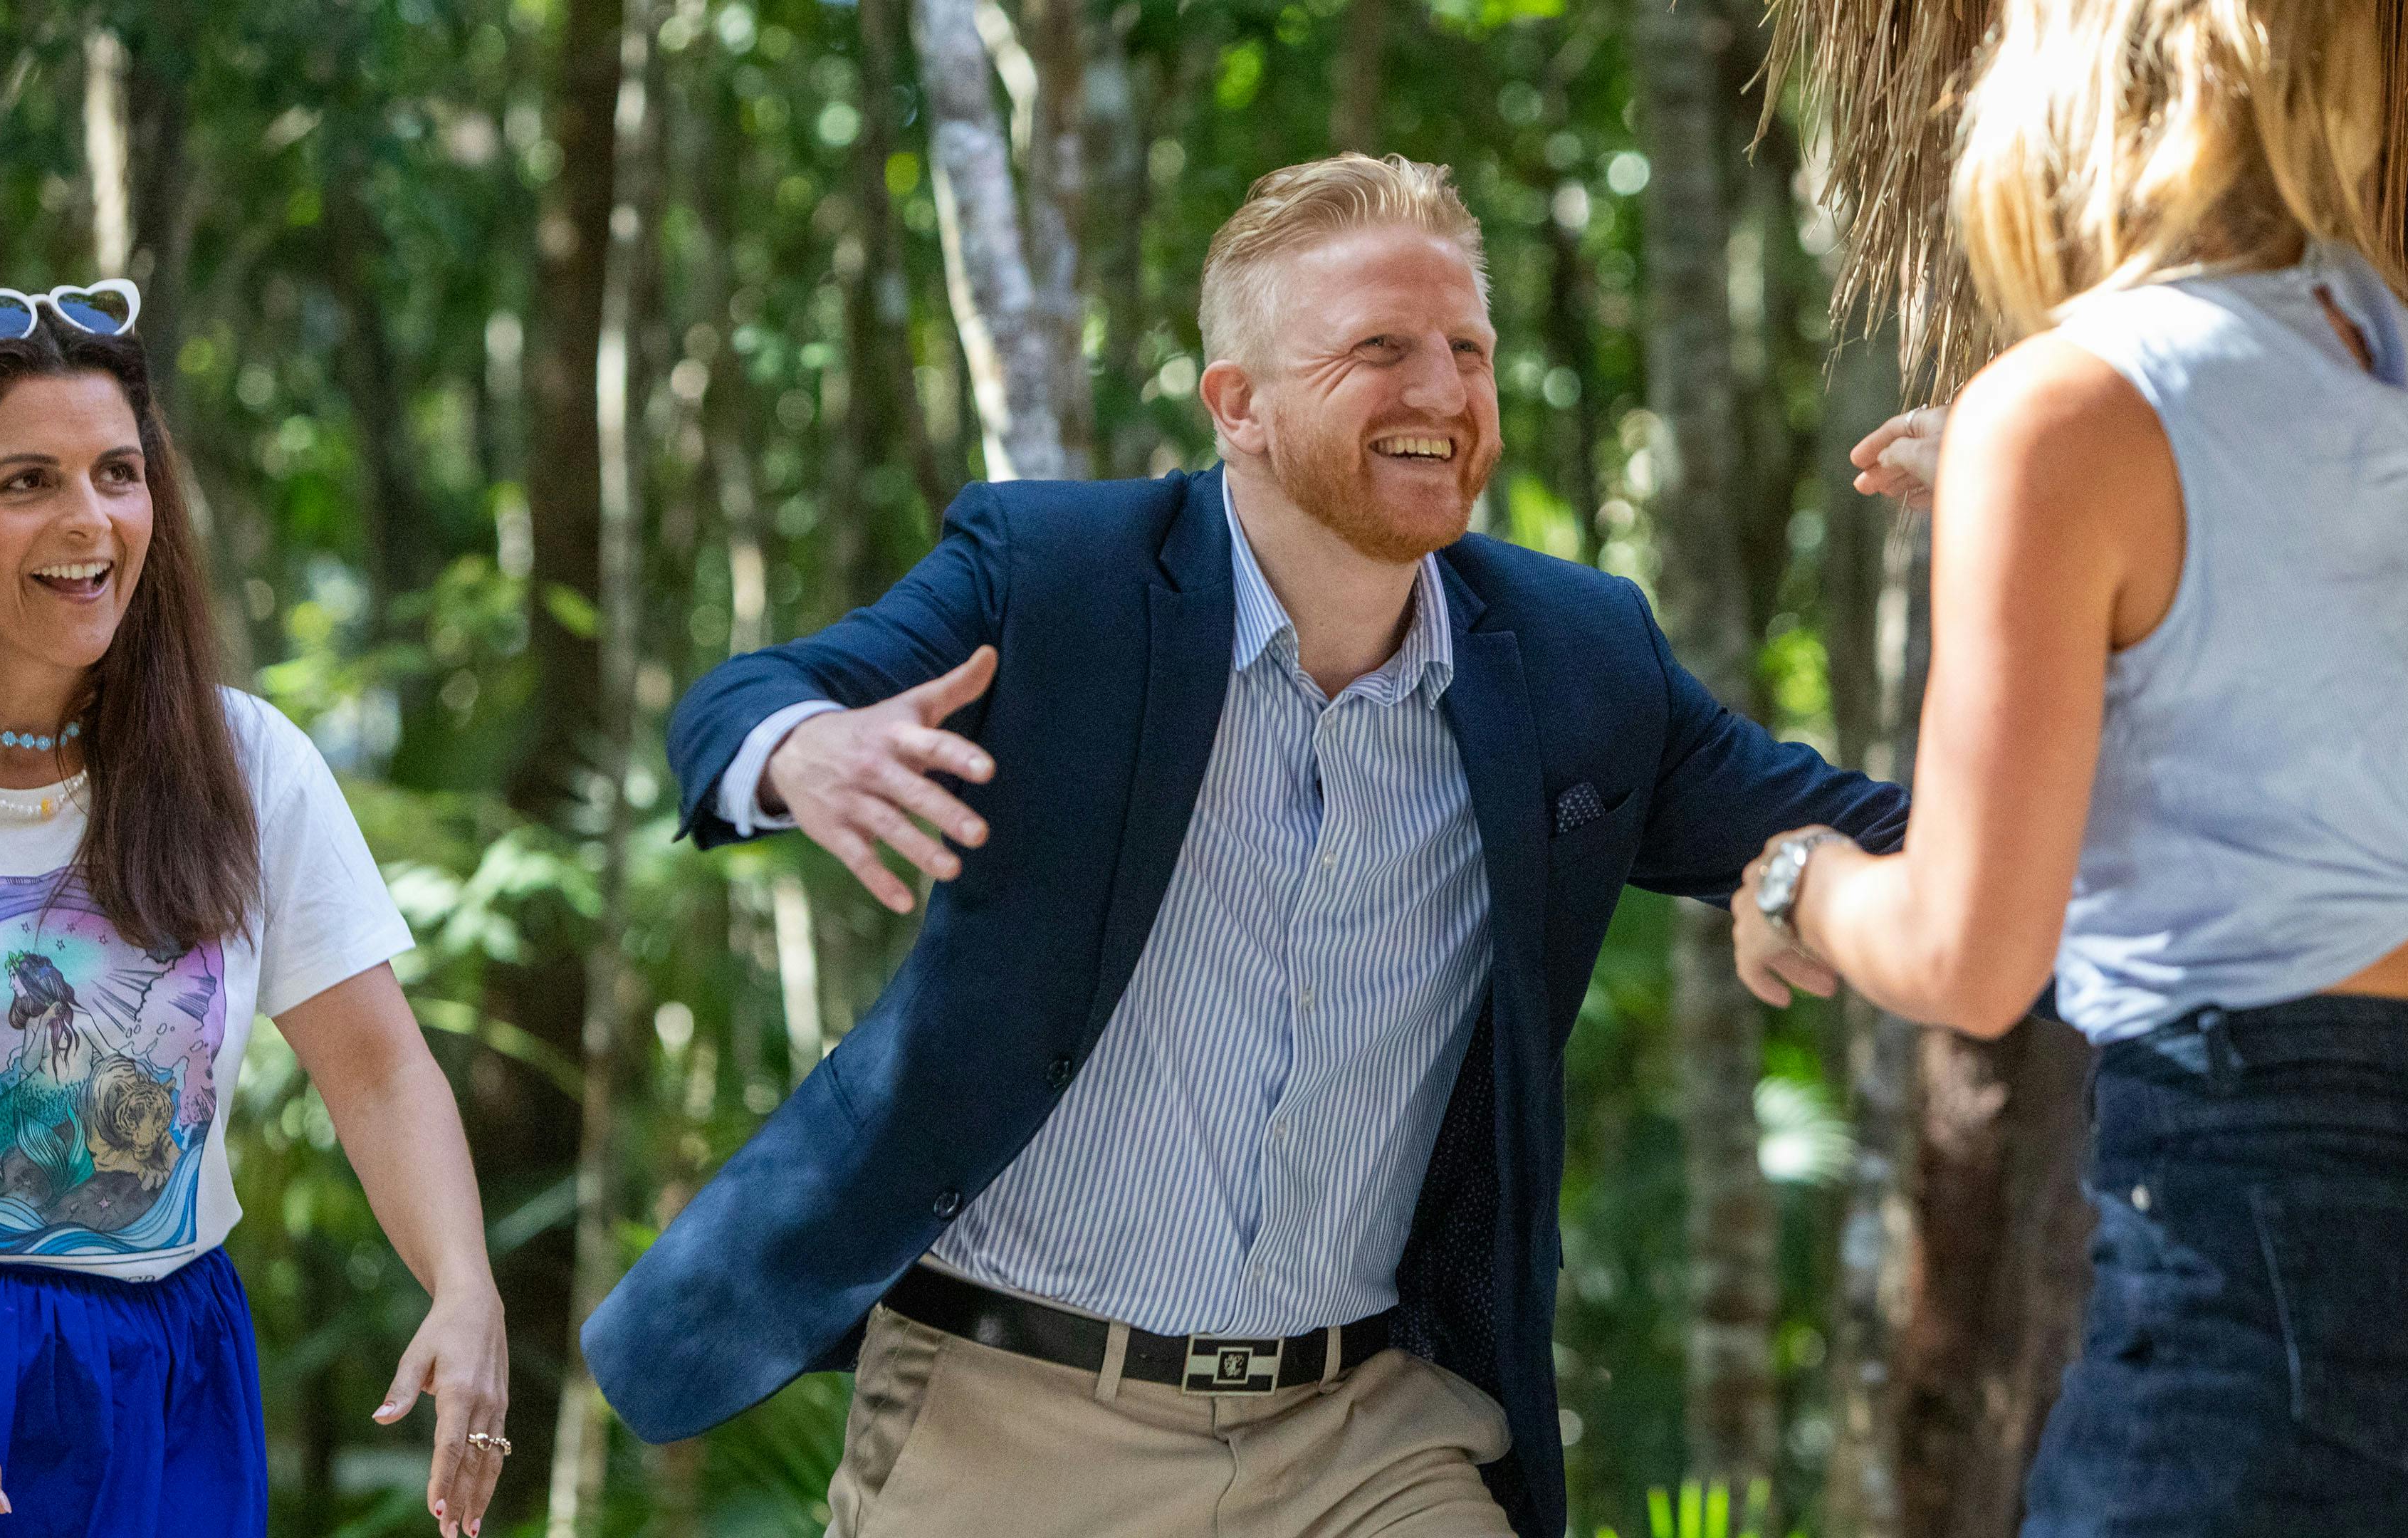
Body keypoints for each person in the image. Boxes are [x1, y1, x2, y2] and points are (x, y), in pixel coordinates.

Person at [582, 153, 1907, 1537]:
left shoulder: (1578, 658)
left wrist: (2018, 542)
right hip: (1016, 1419)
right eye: (1380, 350)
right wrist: (804, 748)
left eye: (1467, 350)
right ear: (1239, 407)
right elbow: (748, 700)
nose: (1444, 393)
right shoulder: (1060, 578)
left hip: (1362, 1436)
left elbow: (1892, 841)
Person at [1743, 1, 2408, 1532]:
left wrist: (1797, 879)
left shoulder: (2062, 413)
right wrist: (2018, 476)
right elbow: (2270, 592)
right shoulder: (2375, 349)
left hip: (2272, 1248)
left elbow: (1966, 957)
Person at [0, 282, 511, 1538]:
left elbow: (380, 1072)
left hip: (166, 1381)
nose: (90, 520)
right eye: (27, 482)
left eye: (118, 474)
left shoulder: (246, 762)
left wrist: (464, 1286)